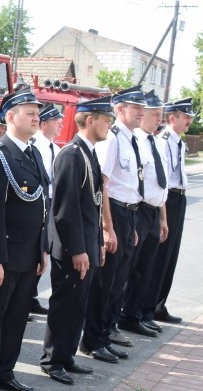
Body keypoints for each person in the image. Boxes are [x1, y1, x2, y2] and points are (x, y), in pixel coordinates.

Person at [0, 89, 49, 391]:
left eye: (36, 112)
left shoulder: (34, 152)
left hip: (29, 255)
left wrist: (43, 249)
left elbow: (42, 205)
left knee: (17, 318)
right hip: (5, 254)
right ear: (11, 117)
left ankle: (5, 371)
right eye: (30, 112)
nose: (36, 117)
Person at [40, 96, 112, 386]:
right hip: (72, 248)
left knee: (78, 305)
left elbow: (91, 204)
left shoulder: (89, 151)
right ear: (90, 120)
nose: (110, 124)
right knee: (65, 304)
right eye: (106, 119)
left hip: (86, 244)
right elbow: (65, 209)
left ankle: (67, 355)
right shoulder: (71, 154)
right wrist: (79, 249)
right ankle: (53, 360)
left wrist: (97, 243)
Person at [81, 86, 148, 363]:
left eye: (142, 108)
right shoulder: (113, 138)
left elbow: (131, 185)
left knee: (118, 282)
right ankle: (93, 339)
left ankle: (106, 334)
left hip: (129, 213)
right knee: (105, 282)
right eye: (135, 107)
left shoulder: (131, 139)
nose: (141, 112)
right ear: (120, 109)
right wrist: (108, 227)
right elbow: (103, 186)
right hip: (115, 214)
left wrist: (130, 224)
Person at [118, 90, 169, 338]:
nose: (159, 119)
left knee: (145, 267)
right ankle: (124, 315)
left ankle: (134, 314)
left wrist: (163, 217)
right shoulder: (134, 140)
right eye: (154, 114)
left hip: (153, 212)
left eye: (160, 115)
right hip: (138, 210)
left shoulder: (157, 142)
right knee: (130, 268)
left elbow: (162, 183)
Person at [149, 98, 193, 325]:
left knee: (170, 256)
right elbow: (163, 181)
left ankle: (158, 305)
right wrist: (164, 214)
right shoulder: (164, 141)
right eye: (186, 117)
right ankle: (150, 305)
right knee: (160, 255)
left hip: (179, 198)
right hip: (169, 200)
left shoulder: (177, 141)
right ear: (173, 118)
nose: (189, 121)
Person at [29, 103, 65, 316]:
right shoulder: (36, 146)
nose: (60, 125)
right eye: (55, 121)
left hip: (52, 201)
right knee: (35, 249)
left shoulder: (57, 148)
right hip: (39, 200)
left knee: (44, 250)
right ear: (43, 123)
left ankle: (31, 295)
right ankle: (28, 295)